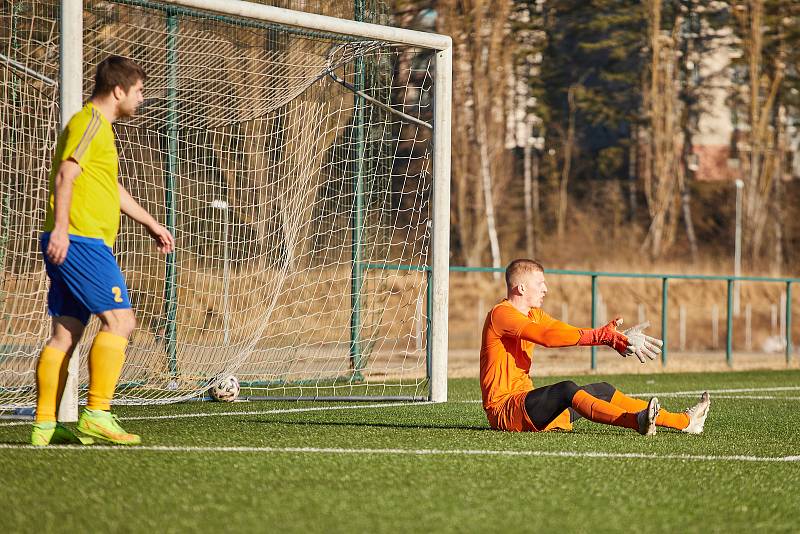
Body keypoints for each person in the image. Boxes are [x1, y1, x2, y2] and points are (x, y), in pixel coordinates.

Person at [31, 56, 174, 446]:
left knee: (67, 332)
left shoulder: (103, 130)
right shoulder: (89, 122)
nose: (142, 99)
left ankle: (44, 426)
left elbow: (111, 190)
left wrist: (150, 223)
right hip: (81, 240)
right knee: (120, 322)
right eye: (140, 91)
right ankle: (97, 413)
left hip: (77, 239)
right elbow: (66, 173)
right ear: (118, 90)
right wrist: (62, 230)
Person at [480, 259, 710, 436]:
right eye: (540, 283)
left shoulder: (534, 314)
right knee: (565, 389)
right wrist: (603, 337)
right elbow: (547, 337)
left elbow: (564, 330)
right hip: (506, 412)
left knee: (603, 389)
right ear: (520, 288)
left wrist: (614, 337)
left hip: (531, 408)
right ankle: (637, 421)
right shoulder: (501, 314)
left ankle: (684, 422)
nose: (546, 289)